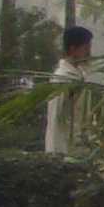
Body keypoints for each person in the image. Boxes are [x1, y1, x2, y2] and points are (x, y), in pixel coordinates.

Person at [44, 25, 94, 155]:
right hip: (63, 148)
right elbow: (57, 118)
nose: (89, 52)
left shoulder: (81, 74)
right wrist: (57, 151)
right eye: (86, 48)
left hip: (80, 147)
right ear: (73, 49)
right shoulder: (61, 77)